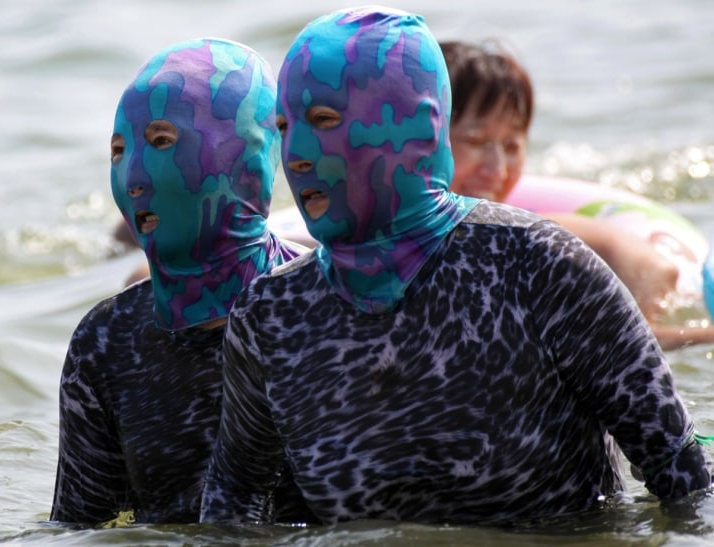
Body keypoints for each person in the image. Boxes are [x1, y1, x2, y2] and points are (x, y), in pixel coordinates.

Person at [199, 6, 712, 526]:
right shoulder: (272, 318)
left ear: (420, 127)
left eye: (326, 121)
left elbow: (685, 479)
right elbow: (232, 515)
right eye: (286, 127)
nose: (298, 155)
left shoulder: (538, 266)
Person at [50, 37, 312, 525]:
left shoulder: (323, 309)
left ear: (249, 156)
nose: (132, 177)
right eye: (118, 150)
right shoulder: (106, 341)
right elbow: (77, 529)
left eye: (163, 142)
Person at [440, 39, 714, 351]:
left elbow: (653, 266)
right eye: (475, 140)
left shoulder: (524, 233)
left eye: (512, 146)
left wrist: (646, 332)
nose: (498, 169)